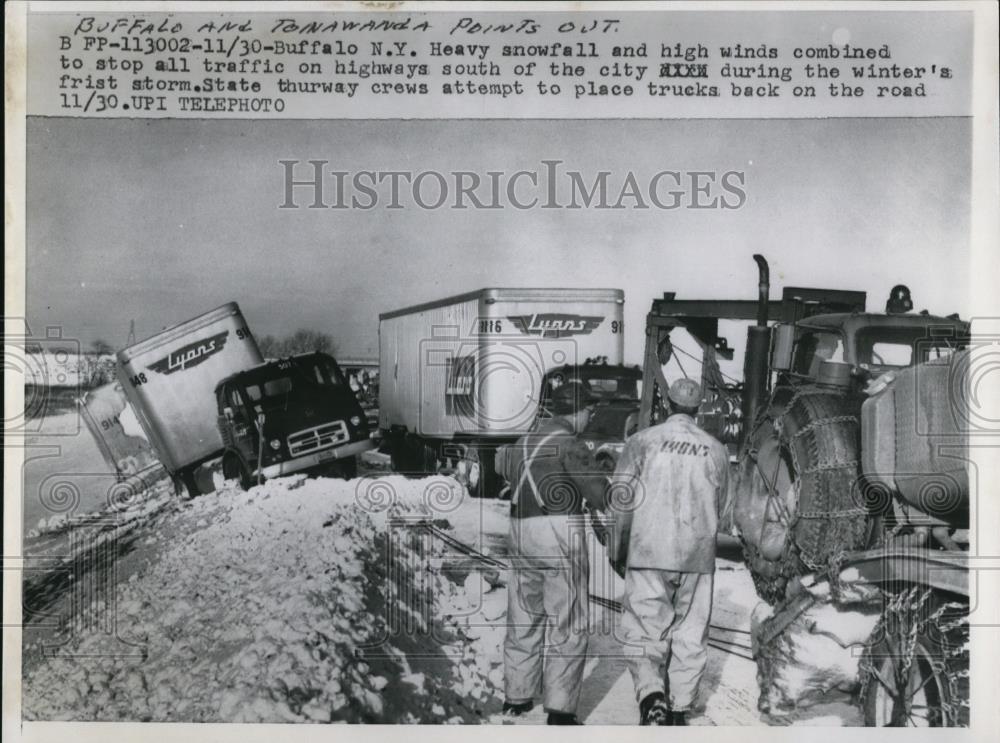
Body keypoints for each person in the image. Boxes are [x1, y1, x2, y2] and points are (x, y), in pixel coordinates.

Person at [608, 378, 729, 726]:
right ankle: (679, 708)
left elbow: (621, 500)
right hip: (697, 556)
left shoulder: (642, 442)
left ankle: (651, 696)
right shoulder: (716, 449)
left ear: (667, 405)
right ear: (698, 409)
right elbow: (724, 507)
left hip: (648, 551)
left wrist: (618, 548)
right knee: (691, 633)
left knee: (644, 629)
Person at [497, 380, 596, 725]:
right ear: (579, 412)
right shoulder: (571, 444)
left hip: (520, 532)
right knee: (568, 619)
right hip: (558, 533)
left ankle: (517, 697)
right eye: (589, 410)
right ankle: (560, 709)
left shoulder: (523, 442)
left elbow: (505, 474)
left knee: (523, 615)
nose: (590, 416)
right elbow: (599, 494)